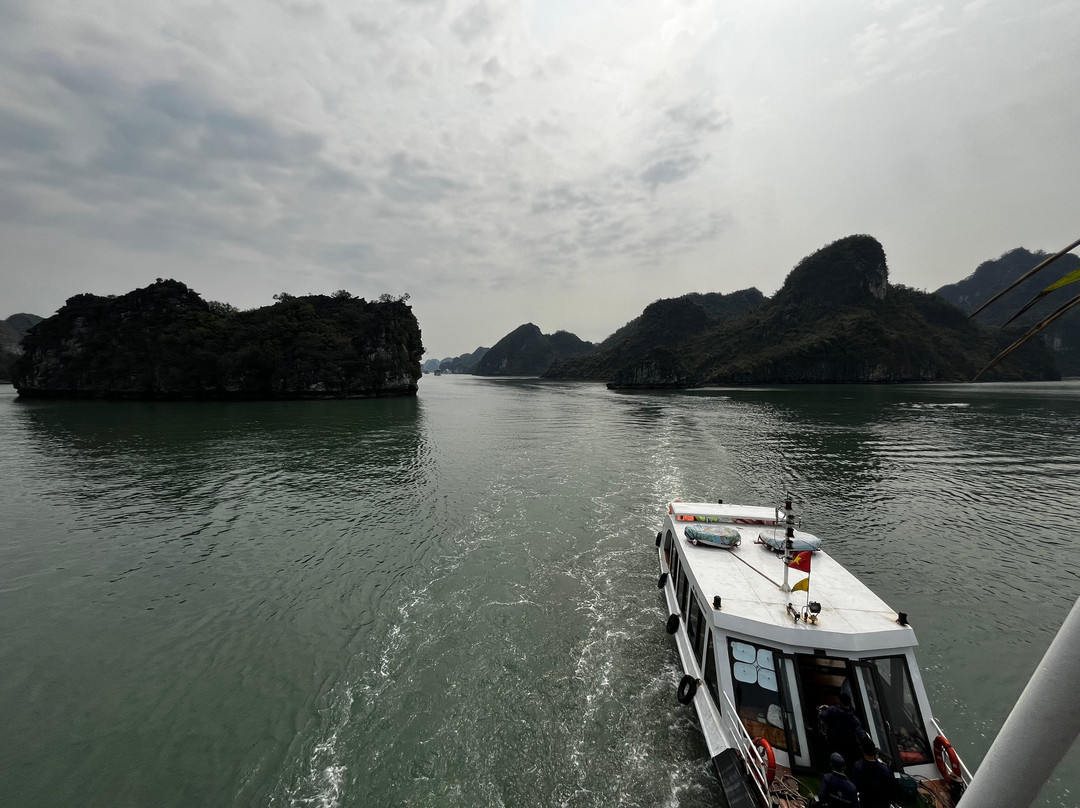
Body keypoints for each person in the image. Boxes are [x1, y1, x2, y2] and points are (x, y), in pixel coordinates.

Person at [819, 692, 865, 768]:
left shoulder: (833, 710)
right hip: (848, 746)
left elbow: (824, 717)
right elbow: (860, 734)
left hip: (833, 742)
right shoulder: (854, 719)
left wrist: (823, 710)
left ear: (840, 701)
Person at [851, 735, 894, 808]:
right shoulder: (885, 769)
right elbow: (891, 786)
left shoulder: (858, 767)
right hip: (883, 803)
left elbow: (855, 786)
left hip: (866, 802)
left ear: (862, 750)